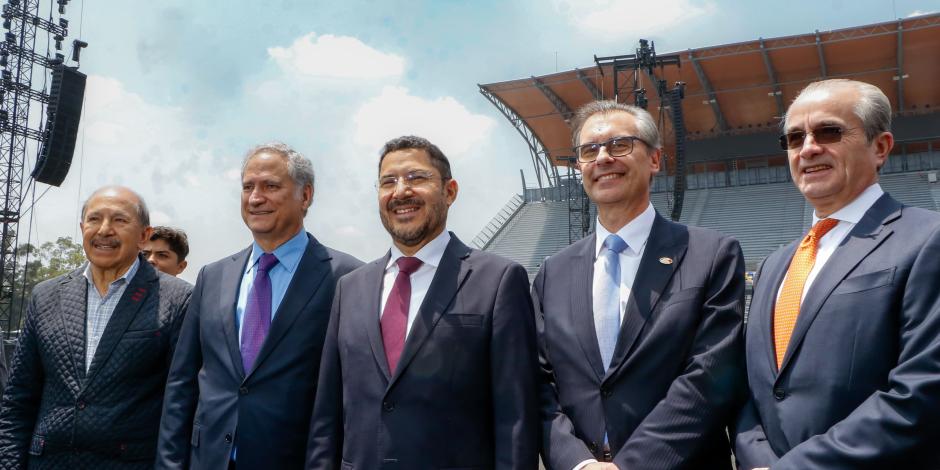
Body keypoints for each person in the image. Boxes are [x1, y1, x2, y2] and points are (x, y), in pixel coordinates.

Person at [734, 79, 940, 469]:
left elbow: (924, 389)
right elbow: (751, 387)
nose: (808, 148)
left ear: (880, 147)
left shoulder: (928, 239)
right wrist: (757, 458)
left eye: (829, 132)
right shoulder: (774, 264)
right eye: (794, 139)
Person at [306, 135, 540, 469]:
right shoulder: (350, 288)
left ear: (449, 191)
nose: (401, 191)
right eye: (388, 182)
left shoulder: (498, 281)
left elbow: (515, 416)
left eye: (417, 178)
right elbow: (327, 415)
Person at [534, 101, 745, 470]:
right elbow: (539, 383)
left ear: (655, 160)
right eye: (589, 150)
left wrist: (631, 465)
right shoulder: (553, 272)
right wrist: (577, 463)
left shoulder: (711, 254)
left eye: (620, 145)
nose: (603, 158)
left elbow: (710, 375)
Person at [156, 142, 362, 470]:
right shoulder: (213, 276)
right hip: (207, 459)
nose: (255, 198)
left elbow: (351, 393)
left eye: (271, 186)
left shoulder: (347, 278)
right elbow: (183, 382)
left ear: (305, 196)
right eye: (248, 187)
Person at [0, 186, 192, 468]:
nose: (104, 230)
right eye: (94, 219)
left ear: (143, 236)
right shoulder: (46, 295)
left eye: (119, 220)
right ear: (82, 228)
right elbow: (18, 398)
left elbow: (183, 406)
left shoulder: (178, 299)